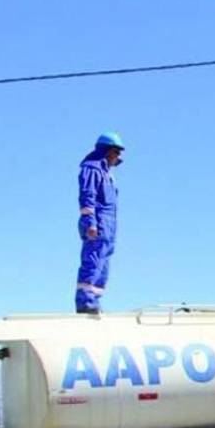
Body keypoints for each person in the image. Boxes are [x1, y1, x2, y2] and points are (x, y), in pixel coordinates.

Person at [75, 132, 125, 314]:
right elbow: (88, 196)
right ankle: (85, 301)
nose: (117, 156)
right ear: (106, 151)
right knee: (93, 260)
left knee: (103, 262)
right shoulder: (93, 169)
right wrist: (90, 222)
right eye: (115, 151)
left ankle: (94, 299)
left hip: (109, 224)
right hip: (99, 222)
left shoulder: (107, 174)